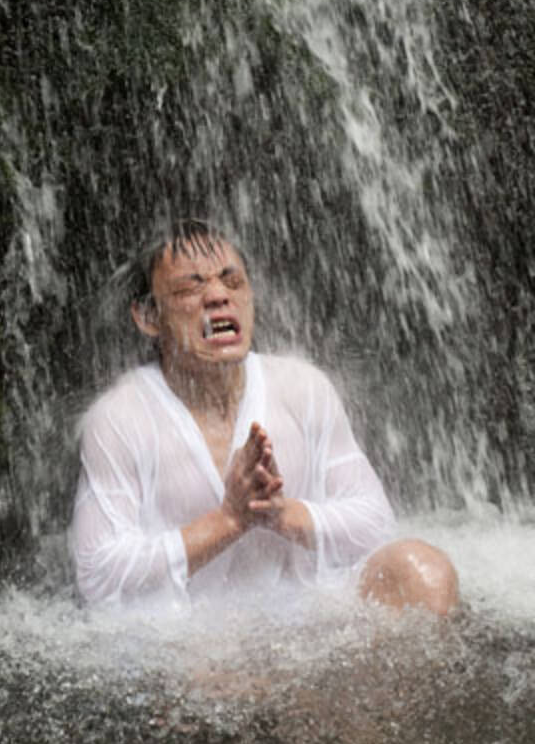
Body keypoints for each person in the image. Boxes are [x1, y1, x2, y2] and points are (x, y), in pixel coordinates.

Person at [69, 219, 459, 615]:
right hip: (190, 634)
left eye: (233, 282)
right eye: (190, 288)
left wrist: (282, 513)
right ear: (148, 316)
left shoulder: (302, 388)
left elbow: (376, 524)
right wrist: (228, 520)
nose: (218, 295)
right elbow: (97, 574)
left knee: (425, 571)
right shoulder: (120, 418)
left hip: (310, 616)